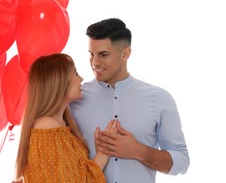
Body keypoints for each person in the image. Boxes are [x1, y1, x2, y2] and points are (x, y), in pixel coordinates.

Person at [69, 18, 190, 183]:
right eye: (92, 54)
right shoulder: (74, 100)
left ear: (125, 54)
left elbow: (182, 161)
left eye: (103, 54)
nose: (95, 62)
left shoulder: (159, 98)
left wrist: (139, 151)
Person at [14, 53, 118, 182]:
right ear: (58, 81)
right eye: (75, 73)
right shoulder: (48, 128)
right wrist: (104, 153)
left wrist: (103, 152)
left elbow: (77, 177)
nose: (81, 78)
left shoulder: (59, 126)